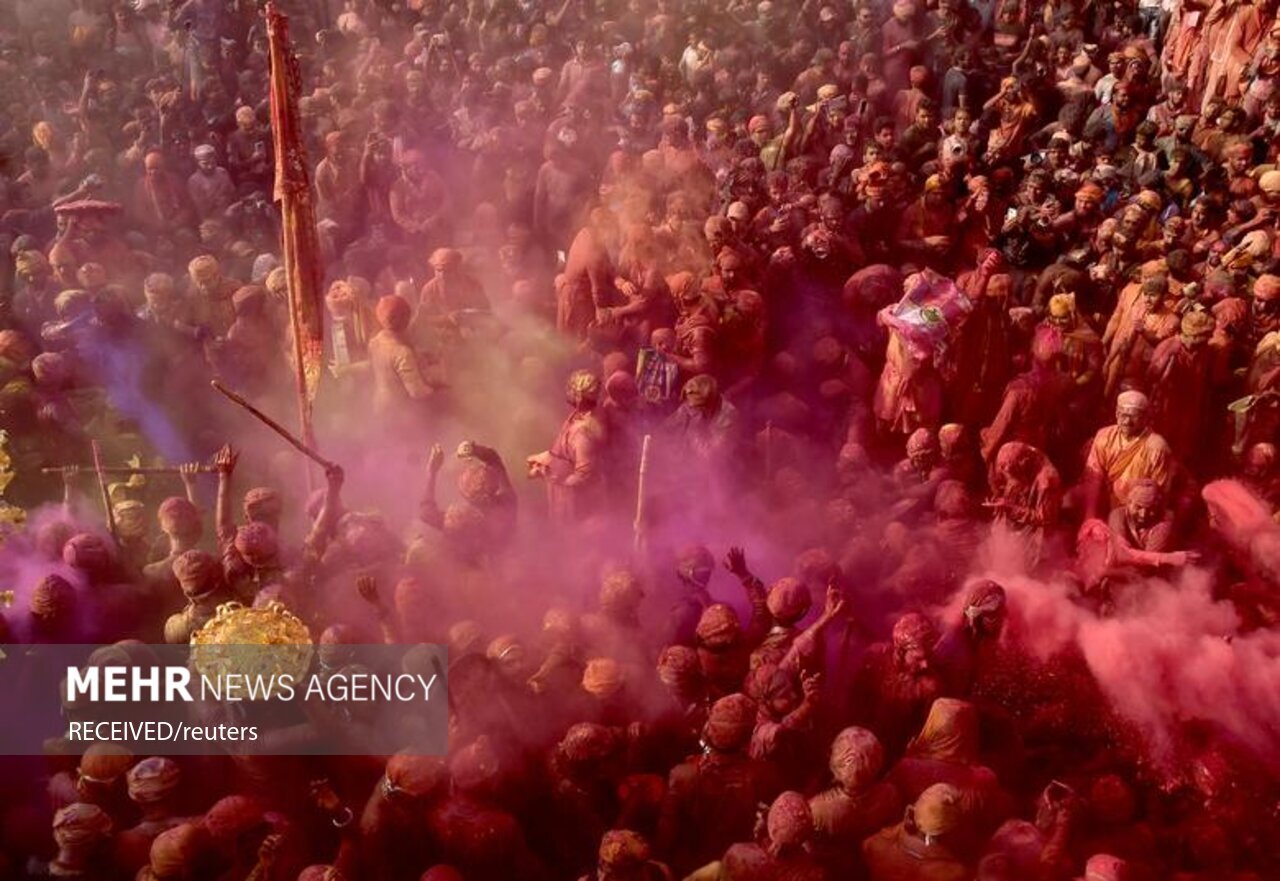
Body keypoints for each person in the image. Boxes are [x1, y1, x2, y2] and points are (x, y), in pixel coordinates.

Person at [1082, 390, 1176, 518]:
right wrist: (1090, 515)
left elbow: (1159, 493)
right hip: (1105, 499)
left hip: (1138, 510)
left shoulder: (1157, 447)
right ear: (1116, 413)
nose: (1126, 421)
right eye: (1123, 415)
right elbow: (1093, 478)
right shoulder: (1104, 436)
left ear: (1145, 418)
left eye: (1133, 416)